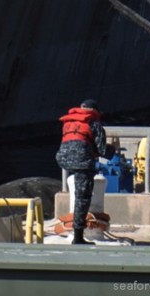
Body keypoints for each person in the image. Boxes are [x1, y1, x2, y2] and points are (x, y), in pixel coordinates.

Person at [56, 99, 108, 243]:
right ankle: (78, 237)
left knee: (79, 191)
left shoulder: (69, 122)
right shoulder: (95, 124)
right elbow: (102, 150)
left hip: (62, 159)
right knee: (82, 198)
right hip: (82, 162)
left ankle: (77, 233)